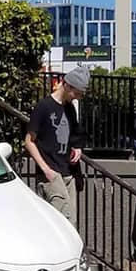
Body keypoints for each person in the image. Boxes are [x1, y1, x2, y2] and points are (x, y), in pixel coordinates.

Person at [24, 65, 89, 226]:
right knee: (64, 223)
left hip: (68, 172)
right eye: (76, 93)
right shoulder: (44, 107)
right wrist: (46, 170)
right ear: (67, 85)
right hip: (51, 173)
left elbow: (75, 134)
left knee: (71, 225)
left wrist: (78, 148)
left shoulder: (69, 109)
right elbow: (29, 141)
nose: (77, 98)